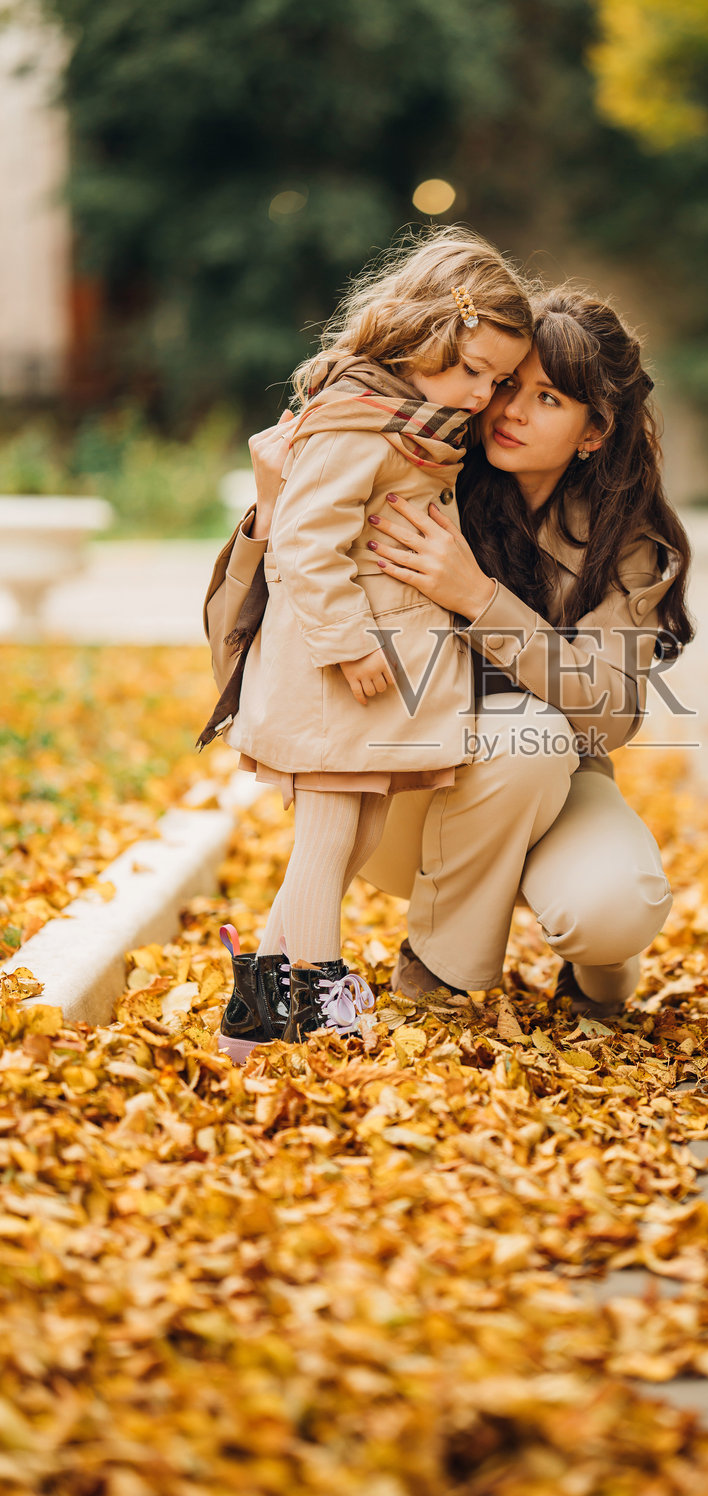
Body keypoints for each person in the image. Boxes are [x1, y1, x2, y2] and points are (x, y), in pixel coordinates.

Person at [207, 284, 693, 1032]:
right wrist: (272, 516)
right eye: (504, 385)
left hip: (550, 782)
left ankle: (599, 968)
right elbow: (255, 637)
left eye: (547, 399)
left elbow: (613, 713)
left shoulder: (621, 540)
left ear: (593, 432)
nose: (507, 410)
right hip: (406, 785)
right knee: (522, 740)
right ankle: (433, 972)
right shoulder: (416, 466)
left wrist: (477, 595)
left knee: (608, 898)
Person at [201, 227, 531, 1059]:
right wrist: (348, 644)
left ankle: (250, 1022)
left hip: (384, 672)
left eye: (495, 379)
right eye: (470, 371)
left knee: (360, 830)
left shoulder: (414, 422)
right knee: (326, 834)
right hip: (336, 669)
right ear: (423, 335)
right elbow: (305, 544)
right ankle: (325, 1006)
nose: (480, 394)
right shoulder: (355, 420)